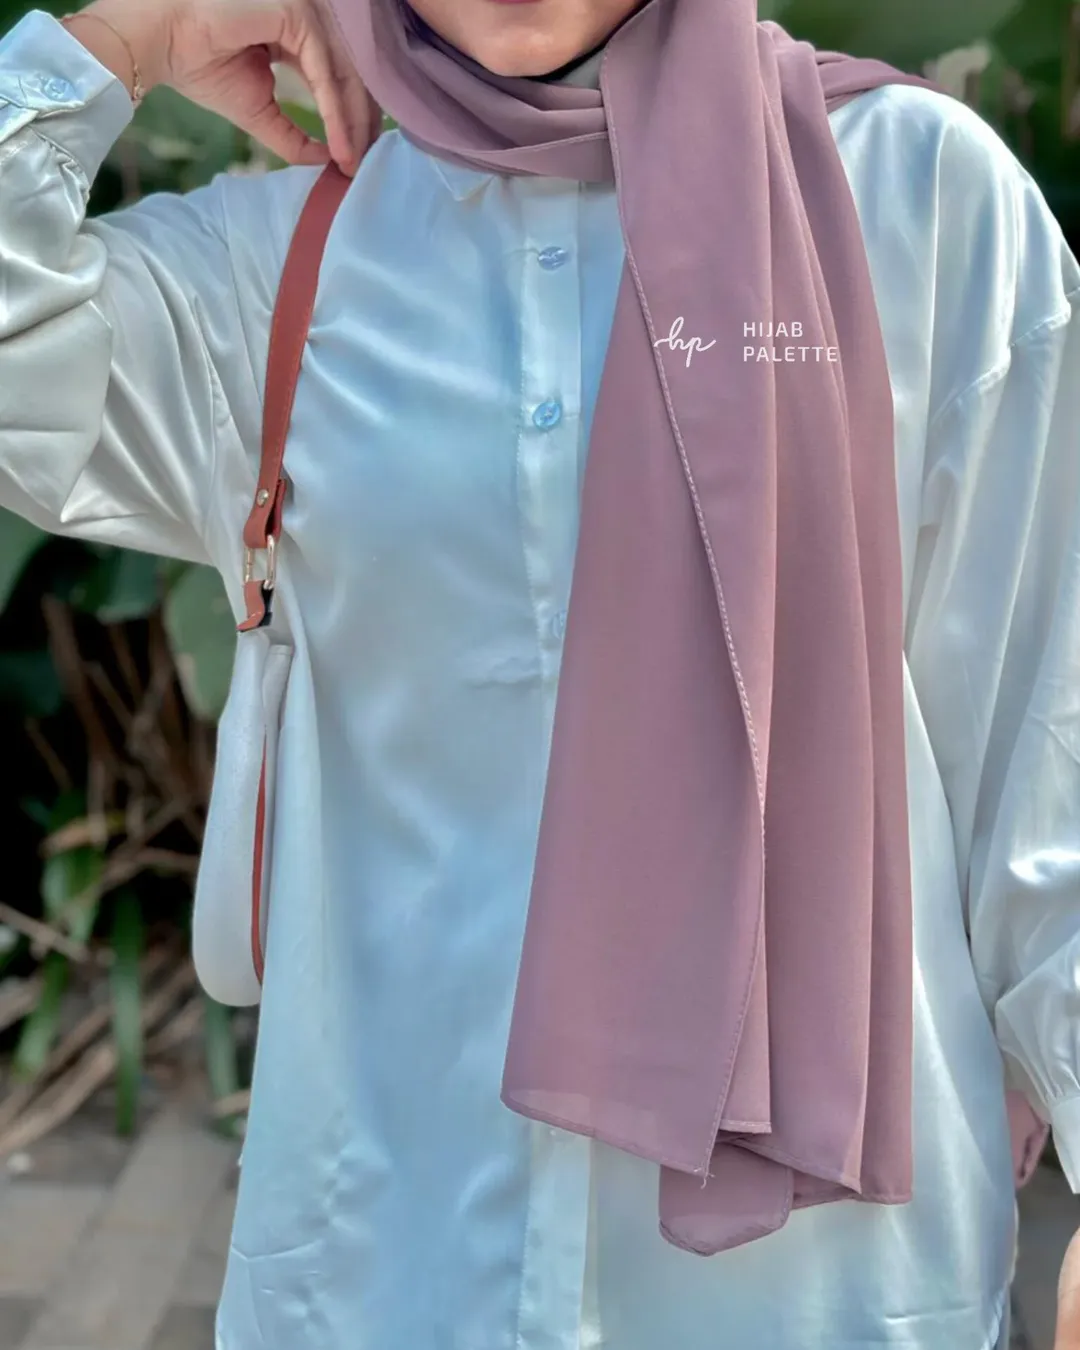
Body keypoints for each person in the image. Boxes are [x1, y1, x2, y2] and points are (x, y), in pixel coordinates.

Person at [1, 0, 1080, 1346]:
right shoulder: (280, 269)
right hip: (387, 1275)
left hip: (825, 1299)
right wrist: (123, 40)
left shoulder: (921, 200)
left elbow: (1049, 761)